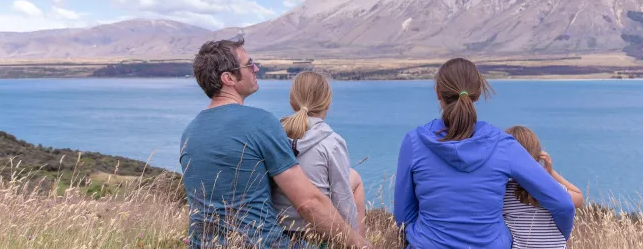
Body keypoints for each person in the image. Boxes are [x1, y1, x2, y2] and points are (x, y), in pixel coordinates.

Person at [179, 37, 370, 249]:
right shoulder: (260, 123)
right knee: (354, 179)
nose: (256, 69)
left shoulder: (190, 131)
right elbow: (309, 203)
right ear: (228, 78)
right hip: (261, 244)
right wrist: (360, 245)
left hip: (201, 245)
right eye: (249, 64)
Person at [393, 58, 575, 248]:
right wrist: (562, 236)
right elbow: (563, 204)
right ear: (478, 94)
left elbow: (404, 216)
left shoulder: (414, 142)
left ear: (438, 92)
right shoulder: (503, 145)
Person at [272, 71, 366, 243]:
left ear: (292, 103)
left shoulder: (274, 135)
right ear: (327, 104)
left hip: (280, 229)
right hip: (318, 232)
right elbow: (342, 197)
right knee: (355, 179)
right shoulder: (332, 142)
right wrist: (352, 240)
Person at [503, 126, 585, 249]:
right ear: (538, 156)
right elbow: (579, 198)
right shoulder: (551, 189)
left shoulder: (504, 193)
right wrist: (550, 174)